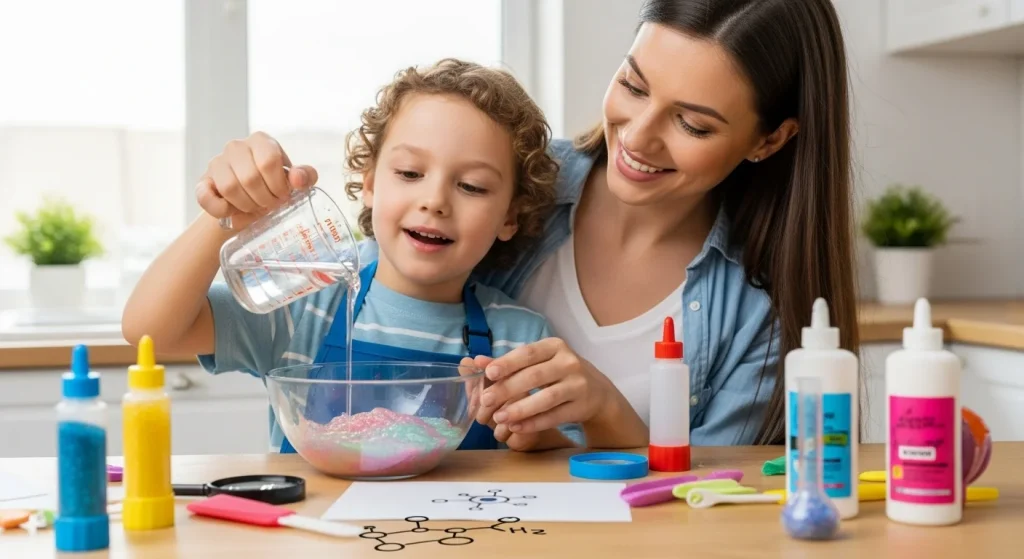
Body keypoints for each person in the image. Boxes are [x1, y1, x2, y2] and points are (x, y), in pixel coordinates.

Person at [164, 0, 859, 450]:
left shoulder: (759, 317)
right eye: (633, 85)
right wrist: (228, 210)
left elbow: (712, 509)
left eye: (693, 124)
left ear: (769, 139)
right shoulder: (503, 175)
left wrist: (606, 413)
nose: (638, 135)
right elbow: (162, 326)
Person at [121, 58, 572, 452]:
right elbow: (150, 333)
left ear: (510, 216)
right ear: (370, 184)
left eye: (471, 186)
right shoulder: (307, 300)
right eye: (409, 172)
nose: (435, 201)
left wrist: (527, 433)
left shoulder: (519, 341)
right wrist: (225, 216)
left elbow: (563, 459)